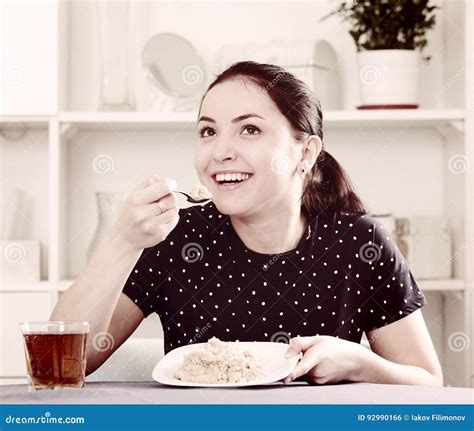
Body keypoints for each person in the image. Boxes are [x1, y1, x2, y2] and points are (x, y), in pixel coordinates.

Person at [51, 61, 443, 386]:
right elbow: (60, 364)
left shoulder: (359, 242)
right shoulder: (175, 237)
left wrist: (359, 362)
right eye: (208, 131)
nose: (220, 151)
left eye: (249, 129)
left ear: (305, 152)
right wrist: (122, 240)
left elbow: (428, 384)